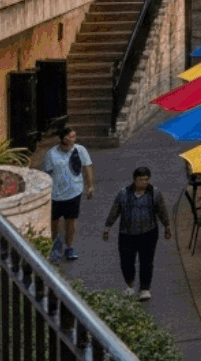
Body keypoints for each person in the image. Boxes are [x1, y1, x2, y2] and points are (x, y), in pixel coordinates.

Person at [104, 166, 172, 299]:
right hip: (127, 233)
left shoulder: (154, 193)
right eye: (141, 180)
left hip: (148, 232)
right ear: (135, 180)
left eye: (146, 180)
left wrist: (167, 227)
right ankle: (130, 285)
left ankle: (145, 288)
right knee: (126, 261)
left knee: (146, 261)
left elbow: (162, 211)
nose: (144, 183)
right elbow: (115, 210)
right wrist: (108, 227)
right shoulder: (123, 194)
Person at [42, 127, 95, 262]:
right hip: (55, 194)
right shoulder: (51, 154)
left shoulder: (80, 150)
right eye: (71, 136)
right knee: (54, 222)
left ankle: (69, 247)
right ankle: (55, 243)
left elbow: (87, 166)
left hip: (74, 192)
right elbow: (46, 174)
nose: (73, 139)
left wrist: (90, 186)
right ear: (63, 138)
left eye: (74, 136)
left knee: (70, 221)